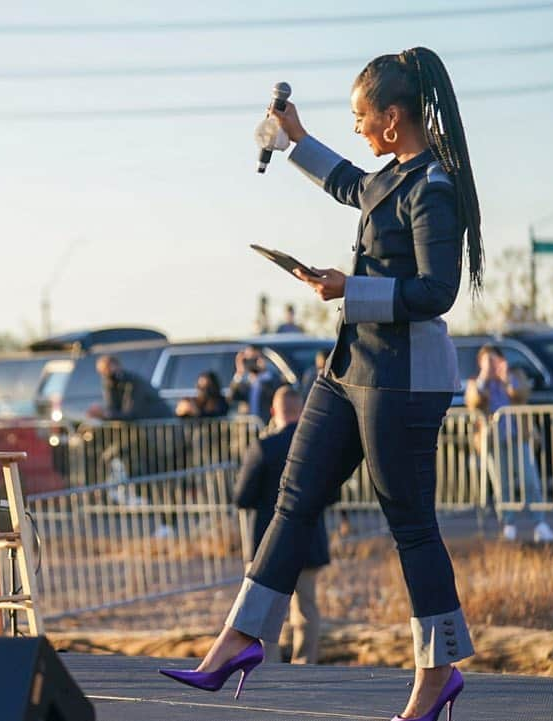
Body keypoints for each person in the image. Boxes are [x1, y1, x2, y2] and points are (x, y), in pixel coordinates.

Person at [160, 48, 481, 721]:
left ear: (392, 119)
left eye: (362, 118)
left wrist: (348, 288)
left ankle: (439, 668)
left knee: (410, 526)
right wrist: (295, 138)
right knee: (292, 495)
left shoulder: (433, 189)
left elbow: (437, 291)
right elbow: (348, 183)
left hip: (402, 381)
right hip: (348, 370)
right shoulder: (391, 177)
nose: (358, 128)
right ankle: (238, 638)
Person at [234, 388, 337, 664]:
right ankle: (306, 663)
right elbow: (333, 495)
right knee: (306, 609)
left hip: (269, 542)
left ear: (272, 411)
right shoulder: (317, 449)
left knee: (266, 610)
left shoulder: (264, 447)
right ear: (303, 411)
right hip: (308, 540)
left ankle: (268, 664)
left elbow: (242, 497)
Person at [464, 345, 553, 543]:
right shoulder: (477, 383)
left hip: (517, 437)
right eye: (487, 360)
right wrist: (483, 379)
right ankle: (508, 525)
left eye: (494, 359)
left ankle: (539, 524)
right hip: (493, 442)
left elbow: (522, 394)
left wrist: (506, 379)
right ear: (480, 363)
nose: (491, 364)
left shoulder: (515, 375)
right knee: (501, 485)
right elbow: (473, 402)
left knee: (531, 480)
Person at [87, 355, 172, 421]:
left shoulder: (133, 382)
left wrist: (105, 414)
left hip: (158, 425)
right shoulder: (109, 383)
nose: (105, 373)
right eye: (102, 371)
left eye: (107, 369)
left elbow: (130, 414)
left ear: (117, 366)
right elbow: (112, 408)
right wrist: (105, 414)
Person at [228, 346, 285, 424]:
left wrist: (263, 371)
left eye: (254, 358)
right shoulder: (245, 381)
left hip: (266, 424)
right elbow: (233, 397)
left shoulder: (271, 379)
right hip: (248, 426)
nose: (251, 362)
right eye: (248, 359)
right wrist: (239, 372)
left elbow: (273, 393)